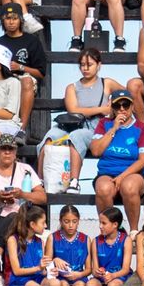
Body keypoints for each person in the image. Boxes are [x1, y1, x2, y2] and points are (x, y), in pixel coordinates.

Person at [34, 46, 120, 192]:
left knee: (77, 136)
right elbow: (73, 110)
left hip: (94, 127)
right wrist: (102, 109)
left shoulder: (107, 83)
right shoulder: (72, 87)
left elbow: (126, 95)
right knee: (49, 137)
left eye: (90, 65)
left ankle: (74, 181)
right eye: (82, 65)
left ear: (99, 65)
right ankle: (39, 180)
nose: (86, 68)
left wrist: (114, 107)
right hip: (70, 124)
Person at [0, 132, 46, 279]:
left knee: (14, 216)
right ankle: (0, 266)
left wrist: (22, 195)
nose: (7, 152)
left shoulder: (25, 170)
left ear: (15, 151)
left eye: (10, 149)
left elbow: (42, 197)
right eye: (3, 148)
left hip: (21, 219)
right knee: (12, 218)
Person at [89, 88, 144, 232]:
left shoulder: (142, 128)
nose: (122, 109)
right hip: (107, 172)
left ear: (132, 106)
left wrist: (122, 177)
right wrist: (114, 128)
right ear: (112, 107)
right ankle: (113, 230)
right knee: (103, 189)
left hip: (134, 174)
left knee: (128, 186)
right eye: (118, 106)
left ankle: (133, 231)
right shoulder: (104, 124)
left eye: (126, 105)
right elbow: (96, 150)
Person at [0, 0, 48, 130]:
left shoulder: (32, 41)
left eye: (15, 18)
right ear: (2, 21)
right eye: (7, 18)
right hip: (1, 80)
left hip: (24, 79)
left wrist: (20, 67)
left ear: (21, 20)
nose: (11, 22)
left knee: (26, 81)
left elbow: (41, 73)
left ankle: (21, 129)